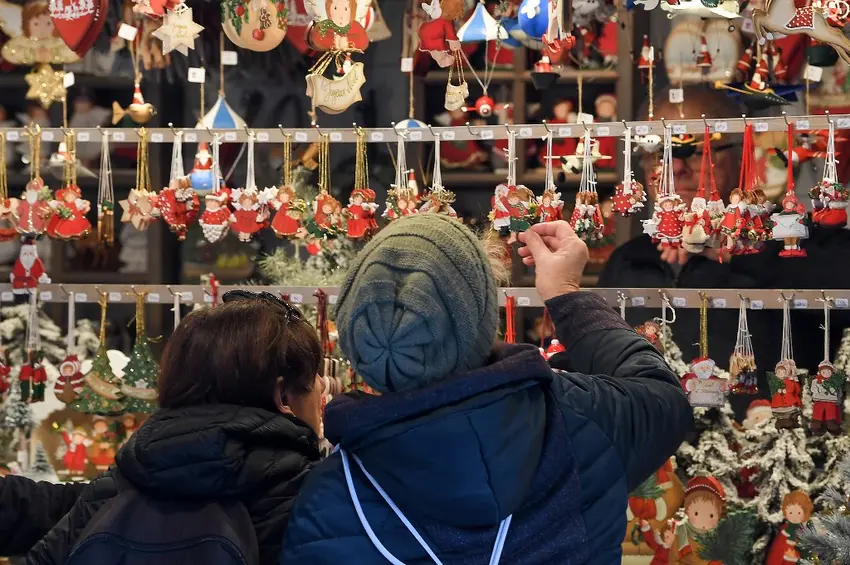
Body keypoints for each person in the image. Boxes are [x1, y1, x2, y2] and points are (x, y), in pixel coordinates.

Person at [281, 215, 692, 563]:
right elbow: (663, 396)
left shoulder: (329, 499)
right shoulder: (583, 419)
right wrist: (565, 294)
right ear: (480, 319)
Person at [599, 85, 850, 419]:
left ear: (742, 154)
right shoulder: (628, 260)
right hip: (652, 440)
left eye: (696, 151)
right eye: (659, 153)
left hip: (765, 438)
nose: (676, 168)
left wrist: (741, 249)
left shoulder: (795, 238)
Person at [18, 293, 324, 565]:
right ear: (283, 396)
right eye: (314, 377)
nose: (323, 387)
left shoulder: (120, 482)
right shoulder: (311, 497)